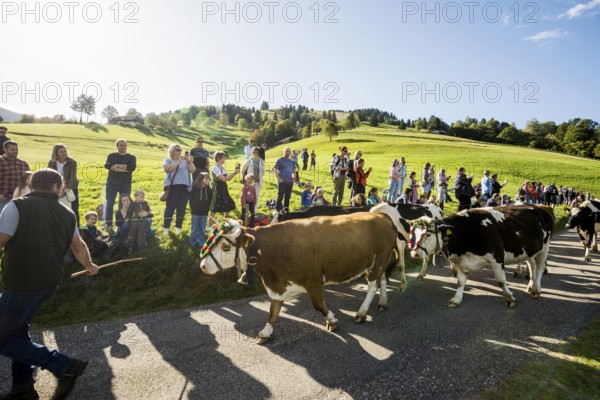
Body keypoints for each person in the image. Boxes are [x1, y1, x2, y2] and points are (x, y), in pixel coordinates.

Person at [0, 169, 98, 400]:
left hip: (20, 283)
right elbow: (78, 245)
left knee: (3, 338)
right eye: (61, 185)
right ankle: (23, 388)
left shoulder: (16, 206)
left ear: (33, 185)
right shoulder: (68, 213)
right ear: (55, 186)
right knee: (18, 333)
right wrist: (90, 266)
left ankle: (64, 366)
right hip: (49, 283)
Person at [103, 139, 136, 230]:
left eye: (125, 145)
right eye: (121, 145)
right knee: (110, 204)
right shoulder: (111, 155)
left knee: (125, 204)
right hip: (111, 183)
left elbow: (131, 168)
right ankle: (109, 224)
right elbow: (108, 166)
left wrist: (116, 166)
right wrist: (125, 168)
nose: (123, 147)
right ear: (117, 146)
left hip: (125, 184)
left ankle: (122, 224)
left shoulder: (131, 157)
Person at [163, 145, 195, 235]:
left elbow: (193, 170)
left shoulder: (185, 161)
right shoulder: (168, 160)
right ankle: (166, 227)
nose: (179, 151)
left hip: (185, 188)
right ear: (172, 151)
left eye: (180, 150)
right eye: (177, 150)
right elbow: (167, 169)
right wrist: (178, 162)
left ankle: (178, 227)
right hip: (173, 187)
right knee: (170, 208)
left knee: (181, 208)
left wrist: (188, 161)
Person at [48, 143, 81, 224]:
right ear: (56, 153)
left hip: (71, 187)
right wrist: (57, 189)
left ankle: (76, 230)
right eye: (61, 152)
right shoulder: (52, 163)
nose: (64, 153)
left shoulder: (72, 162)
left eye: (65, 151)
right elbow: (50, 176)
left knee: (74, 209)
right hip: (56, 188)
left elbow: (73, 178)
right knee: (57, 209)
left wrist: (65, 189)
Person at [0, 141, 30, 213]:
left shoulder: (23, 164)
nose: (15, 151)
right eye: (12, 149)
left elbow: (29, 181)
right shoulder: (1, 162)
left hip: (20, 198)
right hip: (3, 198)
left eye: (16, 149)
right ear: (5, 149)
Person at [209, 151, 238, 223]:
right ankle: (209, 226)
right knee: (214, 209)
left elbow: (228, 178)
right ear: (219, 158)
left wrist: (234, 173)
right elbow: (223, 179)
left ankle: (225, 222)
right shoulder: (215, 167)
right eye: (223, 158)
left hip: (223, 188)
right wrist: (234, 172)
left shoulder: (222, 168)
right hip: (217, 189)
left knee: (228, 205)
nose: (225, 159)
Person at [125, 190, 152, 254]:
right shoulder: (133, 204)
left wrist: (147, 213)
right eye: (140, 197)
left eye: (143, 197)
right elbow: (129, 212)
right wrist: (128, 218)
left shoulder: (145, 203)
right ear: (136, 197)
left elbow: (149, 211)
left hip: (143, 222)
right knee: (131, 234)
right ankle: (130, 246)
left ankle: (141, 246)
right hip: (133, 223)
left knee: (141, 234)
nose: (142, 198)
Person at [189, 172, 212, 248]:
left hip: (204, 213)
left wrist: (207, 209)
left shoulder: (209, 189)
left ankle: (201, 243)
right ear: (201, 179)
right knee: (194, 229)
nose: (208, 180)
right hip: (195, 213)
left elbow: (210, 200)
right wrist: (193, 209)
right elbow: (191, 199)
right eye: (206, 178)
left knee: (202, 228)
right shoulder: (195, 188)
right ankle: (193, 242)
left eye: (208, 179)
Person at [273, 147, 295, 212]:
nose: (287, 152)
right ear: (284, 152)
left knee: (287, 197)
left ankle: (286, 209)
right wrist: (279, 179)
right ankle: (277, 210)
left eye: (289, 151)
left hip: (290, 182)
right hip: (282, 181)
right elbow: (275, 169)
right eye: (286, 151)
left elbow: (294, 170)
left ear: (290, 152)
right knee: (280, 196)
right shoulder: (280, 160)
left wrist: (294, 179)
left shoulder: (291, 161)